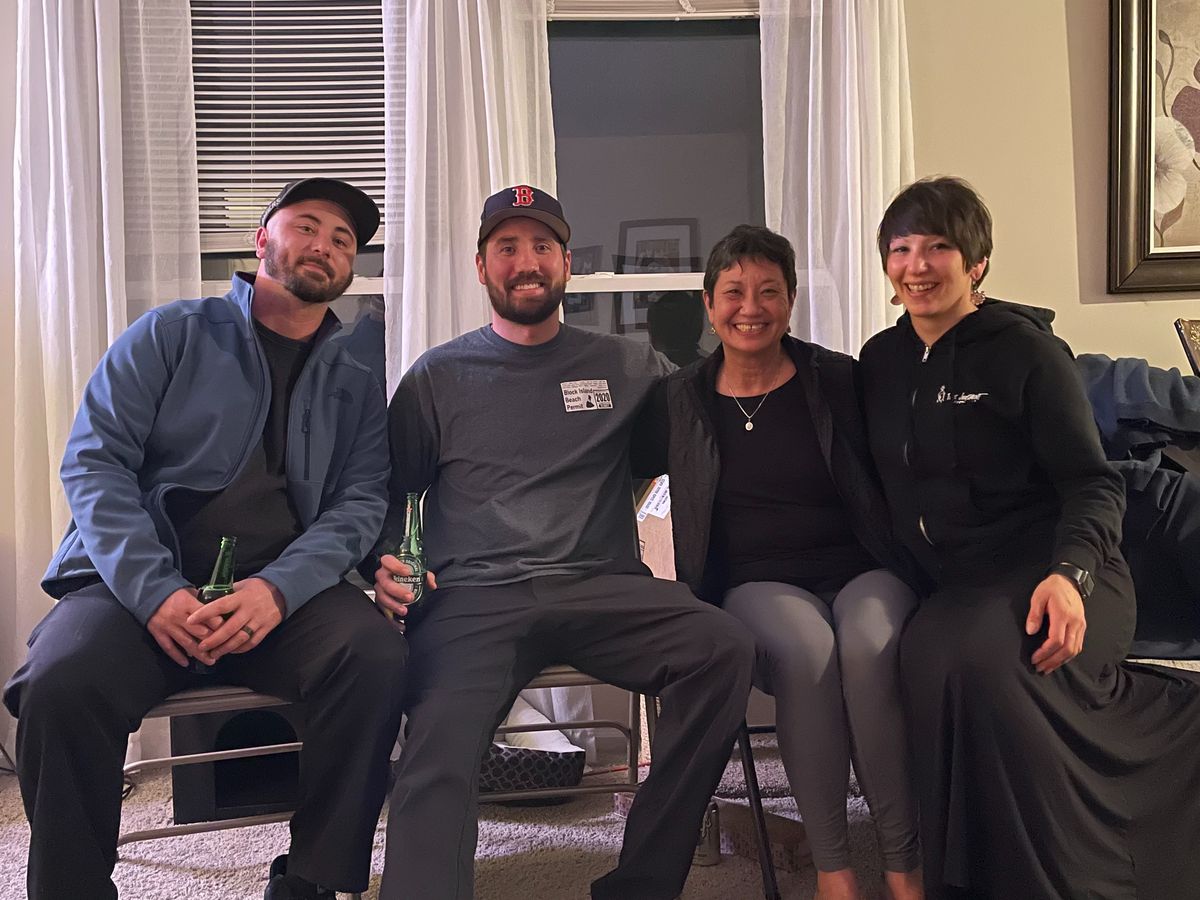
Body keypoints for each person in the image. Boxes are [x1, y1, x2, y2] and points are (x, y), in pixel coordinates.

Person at [3, 178, 407, 900]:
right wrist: (155, 591)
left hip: (282, 592)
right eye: (306, 226)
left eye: (343, 239)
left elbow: (359, 504)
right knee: (59, 682)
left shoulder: (356, 377)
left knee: (374, 658)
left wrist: (277, 590)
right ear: (262, 240)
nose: (323, 245)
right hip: (136, 588)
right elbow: (95, 462)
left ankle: (311, 881)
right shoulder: (171, 333)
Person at [371, 185, 755, 900]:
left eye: (543, 246)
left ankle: (640, 883)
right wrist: (386, 561)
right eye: (508, 247)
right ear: (481, 266)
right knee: (437, 740)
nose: (527, 262)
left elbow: (708, 428)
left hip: (602, 584)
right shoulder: (437, 377)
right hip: (475, 598)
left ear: (566, 263)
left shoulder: (630, 366)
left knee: (723, 648)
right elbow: (392, 493)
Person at [859, 175, 1200, 898]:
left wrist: (1071, 575)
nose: (917, 265)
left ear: (976, 262)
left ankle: (1070, 877)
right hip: (963, 586)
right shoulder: (881, 363)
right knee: (925, 659)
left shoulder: (1027, 353)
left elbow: (1094, 484)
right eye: (901, 248)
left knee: (992, 664)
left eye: (938, 247)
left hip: (1063, 570)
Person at [641, 225, 923, 900]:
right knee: (807, 652)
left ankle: (904, 863)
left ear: (790, 301)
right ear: (709, 305)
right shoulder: (679, 399)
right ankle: (834, 869)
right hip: (755, 580)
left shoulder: (839, 379)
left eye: (769, 291)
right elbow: (612, 480)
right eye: (734, 292)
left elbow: (906, 463)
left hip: (863, 567)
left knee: (869, 646)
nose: (751, 308)